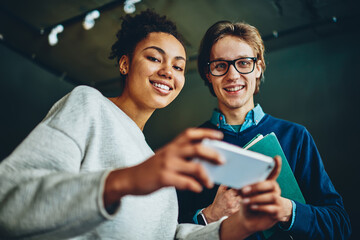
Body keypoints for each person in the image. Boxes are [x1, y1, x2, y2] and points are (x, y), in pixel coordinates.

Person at [0, 10, 285, 240]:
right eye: (153, 58)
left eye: (178, 66)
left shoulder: (153, 159)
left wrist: (239, 226)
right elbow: (9, 200)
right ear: (125, 64)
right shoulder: (88, 105)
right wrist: (127, 180)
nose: (167, 72)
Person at [177, 20, 352, 239]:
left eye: (243, 63)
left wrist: (286, 210)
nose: (232, 75)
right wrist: (210, 215)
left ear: (258, 67)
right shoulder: (190, 148)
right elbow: (165, 230)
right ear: (208, 74)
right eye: (220, 65)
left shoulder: (296, 137)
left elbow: (340, 225)